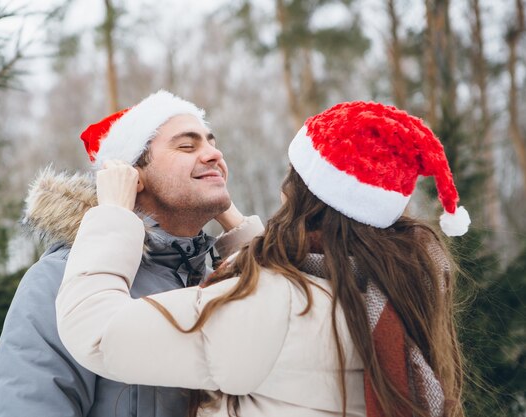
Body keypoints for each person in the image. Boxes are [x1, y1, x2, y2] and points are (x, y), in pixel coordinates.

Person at [55, 101, 471, 417]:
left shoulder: (273, 304)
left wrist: (111, 214)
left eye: (293, 178)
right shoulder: (376, 289)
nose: (212, 155)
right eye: (186, 145)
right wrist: (235, 225)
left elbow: (95, 331)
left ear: (305, 197)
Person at [0, 90, 263, 417]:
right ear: (134, 176)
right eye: (187, 146)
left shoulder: (213, 281)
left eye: (213, 144)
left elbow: (301, 324)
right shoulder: (60, 279)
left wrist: (238, 228)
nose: (213, 155)